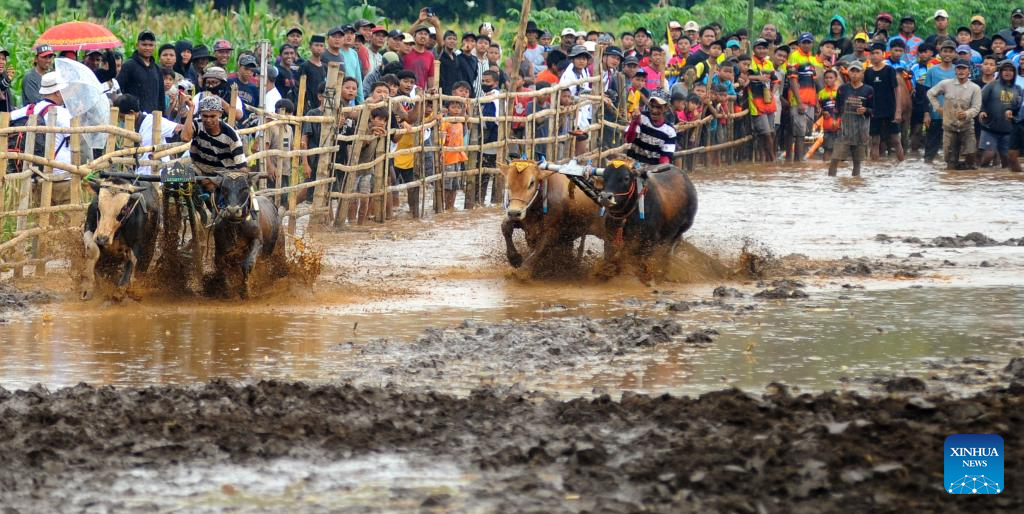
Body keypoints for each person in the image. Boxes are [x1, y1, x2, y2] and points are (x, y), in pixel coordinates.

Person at [11, 71, 73, 203]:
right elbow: (75, 140)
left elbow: (8, 118)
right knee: (66, 215)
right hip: (60, 175)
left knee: (39, 213)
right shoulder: (63, 114)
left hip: (34, 174)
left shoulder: (30, 109)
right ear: (57, 92)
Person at [927, 59, 982, 169]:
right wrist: (938, 108)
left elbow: (976, 107)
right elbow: (930, 93)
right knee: (950, 161)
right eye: (959, 68)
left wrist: (966, 114)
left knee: (971, 156)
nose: (961, 71)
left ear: (969, 71)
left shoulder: (975, 88)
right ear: (955, 70)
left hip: (967, 127)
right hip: (949, 127)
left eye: (964, 68)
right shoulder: (945, 84)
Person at [112, 94, 180, 175]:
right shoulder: (130, 128)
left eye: (122, 117)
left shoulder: (152, 121)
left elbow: (179, 128)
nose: (121, 121)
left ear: (131, 113)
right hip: (139, 174)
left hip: (156, 175)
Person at [180, 95, 246, 176]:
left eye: (212, 116)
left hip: (223, 174)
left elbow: (242, 166)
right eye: (205, 116)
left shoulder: (231, 135)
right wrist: (191, 108)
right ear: (200, 114)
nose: (208, 120)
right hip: (199, 169)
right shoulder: (197, 125)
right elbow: (185, 138)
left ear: (220, 114)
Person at [828, 61, 873, 177]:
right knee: (835, 159)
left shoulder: (868, 90)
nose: (854, 74)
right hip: (845, 129)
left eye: (857, 71)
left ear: (862, 73)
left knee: (857, 162)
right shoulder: (842, 89)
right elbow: (837, 107)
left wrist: (866, 110)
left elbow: (874, 110)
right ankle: (830, 182)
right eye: (852, 71)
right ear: (848, 73)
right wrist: (834, 120)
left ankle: (855, 182)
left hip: (861, 129)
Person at [978, 60, 1023, 170]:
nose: (1008, 72)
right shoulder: (992, 85)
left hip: (1008, 130)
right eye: (1005, 70)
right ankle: (980, 175)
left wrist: (1012, 114)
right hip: (989, 128)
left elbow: (1018, 108)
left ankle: (1001, 179)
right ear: (1000, 72)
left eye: (1011, 70)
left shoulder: (1018, 89)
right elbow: (979, 100)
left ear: (1015, 73)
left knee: (1007, 161)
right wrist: (982, 111)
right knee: (988, 155)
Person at [865, 42, 906, 161]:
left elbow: (897, 90)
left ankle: (902, 165)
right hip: (874, 110)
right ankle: (874, 166)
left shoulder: (889, 70)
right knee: (874, 141)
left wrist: (898, 111)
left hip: (890, 109)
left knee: (896, 140)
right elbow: (866, 91)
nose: (874, 56)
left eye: (877, 53)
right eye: (872, 53)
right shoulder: (868, 72)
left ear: (883, 54)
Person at [786, 32, 823, 161]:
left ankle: (799, 162)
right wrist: (799, 102)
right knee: (799, 134)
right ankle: (798, 162)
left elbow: (813, 82)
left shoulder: (812, 59)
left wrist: (817, 103)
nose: (807, 45)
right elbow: (792, 81)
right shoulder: (794, 57)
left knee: (805, 133)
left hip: (811, 101)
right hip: (799, 101)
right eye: (804, 42)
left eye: (809, 42)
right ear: (799, 44)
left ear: (812, 44)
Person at [923, 41, 958, 163]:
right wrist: (926, 113)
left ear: (955, 54)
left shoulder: (958, 71)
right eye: (945, 51)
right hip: (936, 114)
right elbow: (926, 93)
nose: (947, 54)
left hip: (954, 115)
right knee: (931, 146)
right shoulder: (932, 71)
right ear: (940, 53)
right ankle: (928, 169)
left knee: (953, 146)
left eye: (950, 51)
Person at [625, 89, 677, 166]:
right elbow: (628, 139)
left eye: (658, 107)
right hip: (632, 164)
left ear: (666, 108)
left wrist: (661, 169)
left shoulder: (670, 131)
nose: (654, 110)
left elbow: (665, 157)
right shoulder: (641, 118)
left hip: (652, 169)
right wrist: (634, 122)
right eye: (652, 106)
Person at [118, 31, 164, 113]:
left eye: (151, 45)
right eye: (144, 45)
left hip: (154, 117)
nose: (147, 48)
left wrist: (163, 116)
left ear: (154, 46)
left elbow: (161, 96)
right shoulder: (128, 66)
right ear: (137, 45)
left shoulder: (157, 69)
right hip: (133, 115)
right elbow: (119, 90)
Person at [440, 98, 468, 210]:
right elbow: (441, 140)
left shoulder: (461, 122)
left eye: (458, 108)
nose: (456, 110)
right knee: (447, 186)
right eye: (453, 107)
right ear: (447, 109)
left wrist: (465, 111)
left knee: (455, 185)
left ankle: (451, 207)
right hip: (447, 158)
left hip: (457, 157)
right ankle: (445, 207)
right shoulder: (445, 122)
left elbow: (464, 134)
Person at [300, 35, 327, 114]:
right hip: (308, 104)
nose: (319, 48)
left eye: (321, 46)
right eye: (316, 45)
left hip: (321, 104)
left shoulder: (325, 67)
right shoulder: (305, 66)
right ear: (310, 47)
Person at [0, 46, 14, 112]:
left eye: (3, 59)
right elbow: (1, 96)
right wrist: (6, 80)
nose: (1, 62)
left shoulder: (4, 75)